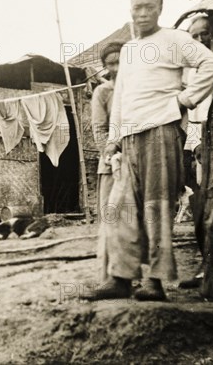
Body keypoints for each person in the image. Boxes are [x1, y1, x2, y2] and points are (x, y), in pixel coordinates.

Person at [84, 0, 213, 301]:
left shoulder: (174, 40)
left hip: (161, 132)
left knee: (156, 209)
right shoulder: (130, 50)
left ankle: (155, 283)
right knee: (119, 207)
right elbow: (120, 99)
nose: (142, 13)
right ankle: (121, 278)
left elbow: (212, 65)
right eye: (136, 8)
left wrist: (185, 99)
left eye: (148, 7)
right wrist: (113, 138)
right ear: (130, 11)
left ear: (160, 9)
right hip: (130, 138)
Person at [179, 15, 213, 289]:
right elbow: (192, 115)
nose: (201, 40)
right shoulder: (190, 72)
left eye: (206, 34)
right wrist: (193, 145)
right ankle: (207, 266)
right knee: (200, 205)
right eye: (195, 37)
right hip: (198, 140)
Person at [91, 40, 125, 281]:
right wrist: (111, 152)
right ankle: (108, 277)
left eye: (120, 61)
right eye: (110, 63)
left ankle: (128, 275)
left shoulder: (138, 90)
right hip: (111, 164)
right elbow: (99, 129)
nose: (116, 67)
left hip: (134, 162)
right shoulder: (103, 92)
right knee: (110, 218)